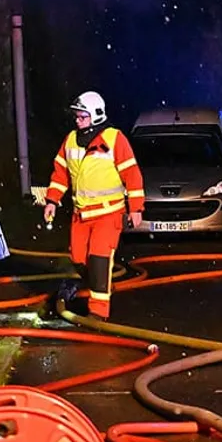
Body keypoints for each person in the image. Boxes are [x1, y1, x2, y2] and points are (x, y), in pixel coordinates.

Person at [43, 91, 144, 319]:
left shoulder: (114, 139)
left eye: (82, 116)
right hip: (81, 215)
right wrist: (52, 200)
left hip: (109, 214)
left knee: (99, 259)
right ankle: (99, 286)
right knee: (79, 258)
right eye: (77, 116)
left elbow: (132, 174)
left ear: (96, 115)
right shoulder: (70, 140)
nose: (77, 120)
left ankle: (98, 313)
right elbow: (60, 173)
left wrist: (136, 207)